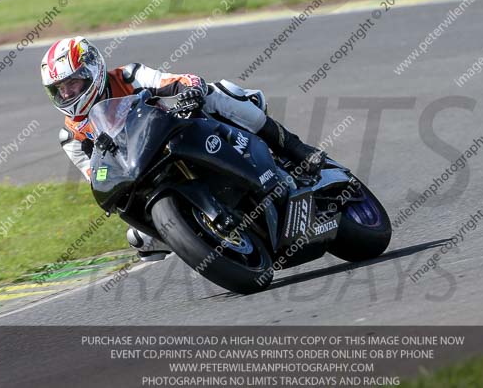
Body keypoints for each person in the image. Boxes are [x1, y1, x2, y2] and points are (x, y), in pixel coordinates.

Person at [41, 36, 324, 261]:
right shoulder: (71, 136)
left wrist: (190, 89)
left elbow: (173, 81)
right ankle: (194, 235)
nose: (67, 94)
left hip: (175, 133)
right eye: (60, 89)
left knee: (217, 92)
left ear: (92, 70)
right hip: (140, 172)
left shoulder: (128, 77)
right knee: (138, 239)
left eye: (72, 83)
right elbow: (96, 177)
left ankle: (295, 149)